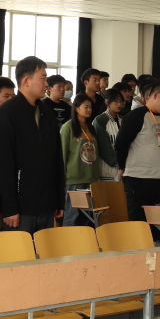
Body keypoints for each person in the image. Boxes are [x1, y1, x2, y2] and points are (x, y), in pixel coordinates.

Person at [0, 57, 64, 233]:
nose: (46, 84)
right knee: (18, 251)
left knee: (45, 251)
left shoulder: (47, 113)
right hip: (20, 209)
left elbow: (57, 159)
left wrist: (58, 199)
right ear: (26, 81)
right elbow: (1, 165)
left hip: (47, 205)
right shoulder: (6, 114)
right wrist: (9, 207)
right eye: (43, 78)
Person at [114, 80, 160, 232]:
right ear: (156, 95)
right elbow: (121, 144)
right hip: (137, 178)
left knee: (158, 228)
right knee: (138, 225)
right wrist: (122, 167)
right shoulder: (136, 116)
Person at [60, 94, 99, 227]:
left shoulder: (91, 127)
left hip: (91, 178)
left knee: (87, 218)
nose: (89, 110)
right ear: (76, 108)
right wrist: (62, 178)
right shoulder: (68, 127)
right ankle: (69, 240)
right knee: (72, 215)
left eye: (90, 107)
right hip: (75, 179)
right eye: (86, 107)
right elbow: (62, 154)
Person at [93, 88, 124, 182]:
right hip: (107, 172)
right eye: (116, 101)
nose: (119, 104)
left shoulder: (123, 120)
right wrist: (119, 165)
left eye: (121, 101)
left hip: (124, 171)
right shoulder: (100, 120)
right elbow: (104, 148)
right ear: (107, 101)